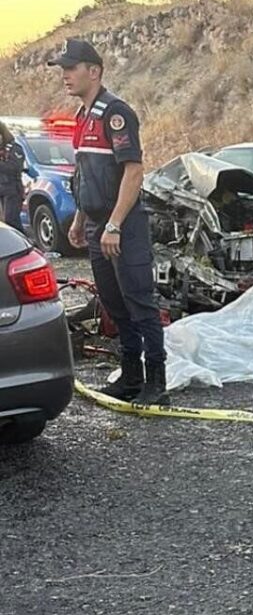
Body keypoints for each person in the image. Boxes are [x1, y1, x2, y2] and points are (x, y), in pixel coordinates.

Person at [51, 38, 168, 405]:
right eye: (63, 69)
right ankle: (131, 376)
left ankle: (156, 381)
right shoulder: (83, 117)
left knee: (140, 302)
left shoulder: (114, 113)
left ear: (94, 71)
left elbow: (133, 172)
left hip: (124, 224)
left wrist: (115, 225)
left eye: (71, 68)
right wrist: (80, 219)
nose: (66, 75)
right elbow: (84, 176)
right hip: (95, 223)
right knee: (114, 304)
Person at [0, 121, 26, 234]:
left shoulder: (15, 149)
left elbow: (14, 168)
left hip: (13, 191)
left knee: (11, 221)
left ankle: (23, 243)